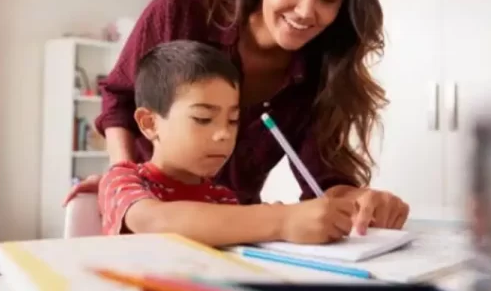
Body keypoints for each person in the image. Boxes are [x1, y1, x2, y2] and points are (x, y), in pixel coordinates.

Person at [65, 0, 410, 235]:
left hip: (237, 234)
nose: (306, 11)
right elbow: (120, 99)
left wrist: (359, 201)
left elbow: (323, 183)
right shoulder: (184, 6)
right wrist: (123, 175)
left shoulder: (323, 71)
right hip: (155, 217)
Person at [99, 40, 356, 246]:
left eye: (233, 120)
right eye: (203, 118)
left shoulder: (222, 199)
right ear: (150, 123)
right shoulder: (123, 180)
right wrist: (282, 220)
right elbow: (156, 221)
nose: (224, 134)